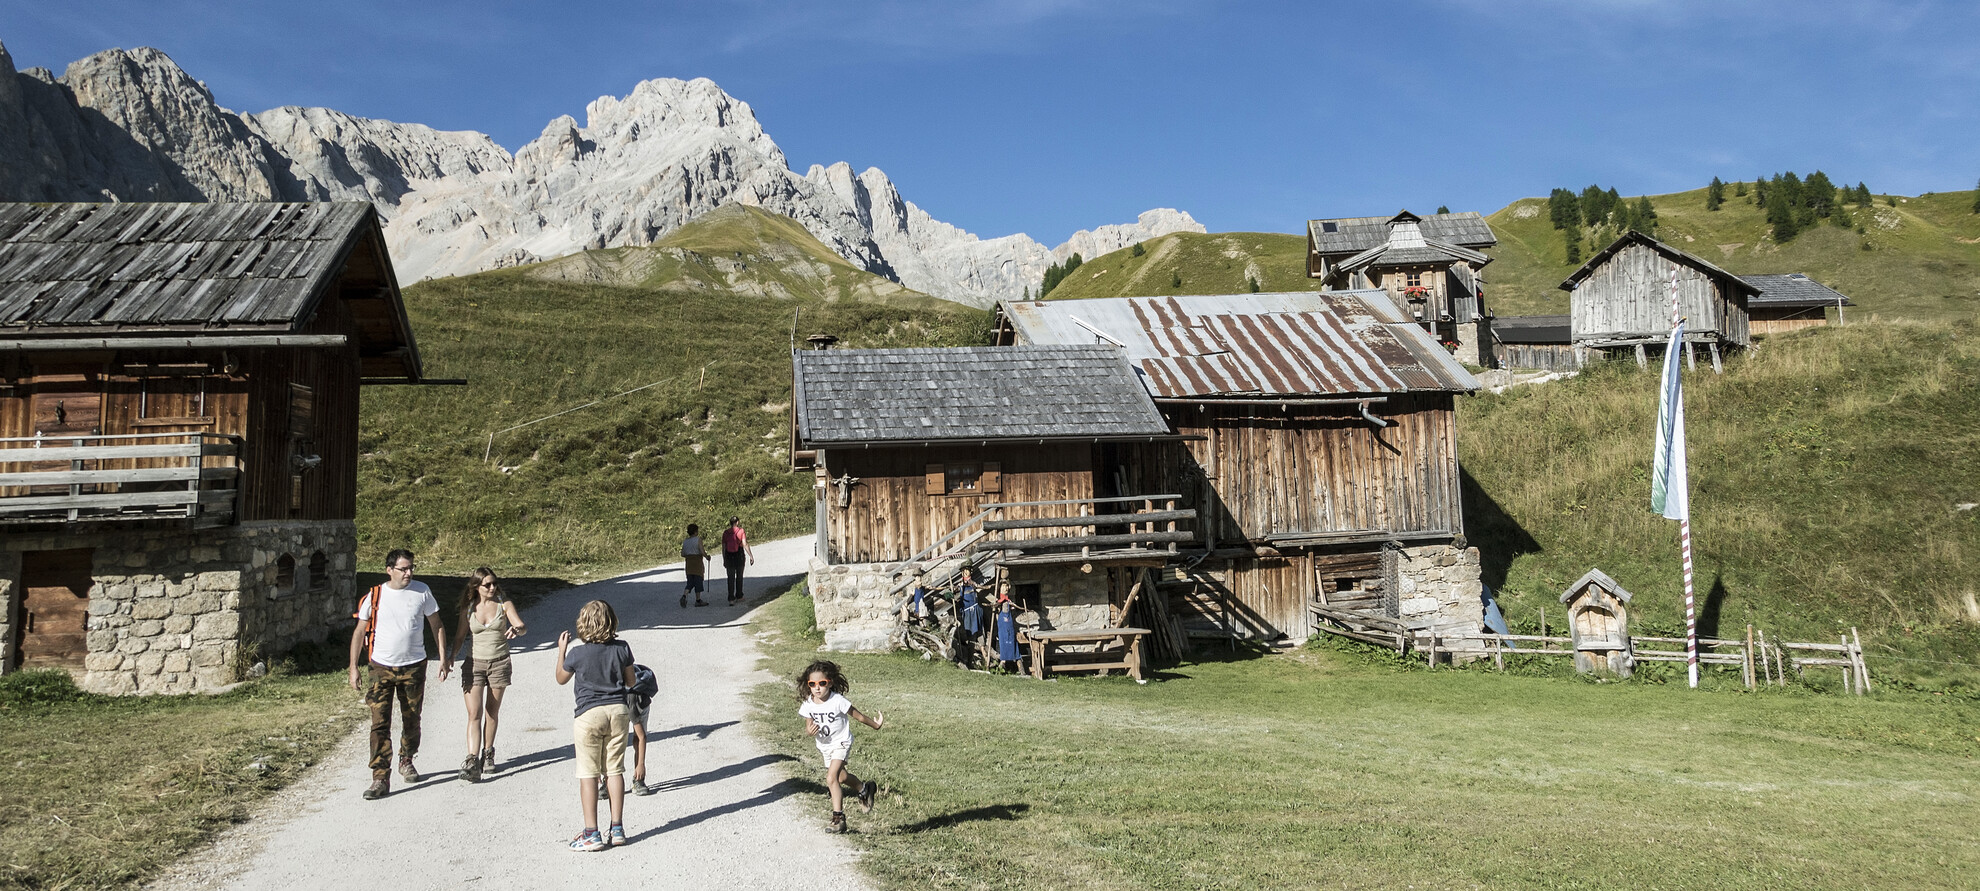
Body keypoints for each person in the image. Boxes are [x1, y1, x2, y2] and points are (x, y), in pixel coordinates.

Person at [347, 549, 452, 800]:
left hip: (414, 665)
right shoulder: (374, 596)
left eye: (411, 568)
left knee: (411, 717)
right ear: (389, 570)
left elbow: (436, 625)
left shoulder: (422, 591)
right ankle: (380, 777)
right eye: (403, 568)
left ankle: (407, 758)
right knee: (379, 722)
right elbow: (359, 633)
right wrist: (353, 667)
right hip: (380, 667)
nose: (409, 573)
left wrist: (444, 658)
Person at [557, 600, 636, 852]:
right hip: (618, 712)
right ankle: (617, 828)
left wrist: (561, 650)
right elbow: (631, 681)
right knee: (615, 769)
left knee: (588, 772)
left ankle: (591, 832)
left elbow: (561, 678)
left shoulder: (577, 653)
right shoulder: (622, 648)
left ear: (583, 624)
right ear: (612, 621)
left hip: (588, 714)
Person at [795, 660, 884, 834]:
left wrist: (876, 725)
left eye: (822, 683)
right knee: (841, 778)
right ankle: (865, 789)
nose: (817, 688)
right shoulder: (809, 703)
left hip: (841, 742)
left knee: (830, 778)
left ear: (830, 682)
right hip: (825, 746)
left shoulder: (838, 701)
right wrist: (809, 731)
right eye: (812, 684)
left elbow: (858, 716)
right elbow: (808, 724)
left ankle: (838, 819)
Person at [456, 567, 526, 782]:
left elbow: (521, 625)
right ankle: (471, 760)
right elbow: (460, 636)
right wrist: (449, 658)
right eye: (487, 584)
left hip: (499, 663)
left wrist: (517, 630)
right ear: (476, 586)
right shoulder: (468, 608)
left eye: (494, 583)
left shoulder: (504, 605)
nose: (492, 587)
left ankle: (488, 753)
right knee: (473, 713)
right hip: (473, 664)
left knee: (491, 711)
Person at [720, 516, 753, 604]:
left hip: (729, 556)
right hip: (739, 555)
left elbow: (723, 548)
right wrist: (751, 556)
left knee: (730, 578)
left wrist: (724, 559)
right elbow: (745, 544)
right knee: (739, 576)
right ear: (737, 522)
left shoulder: (725, 533)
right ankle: (739, 596)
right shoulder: (741, 531)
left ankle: (731, 599)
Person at [681, 523, 709, 608]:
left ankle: (684, 595)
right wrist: (707, 557)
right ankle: (698, 600)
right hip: (697, 561)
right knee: (698, 580)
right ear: (696, 532)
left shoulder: (685, 541)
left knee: (690, 582)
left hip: (689, 562)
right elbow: (701, 551)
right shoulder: (698, 540)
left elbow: (682, 554)